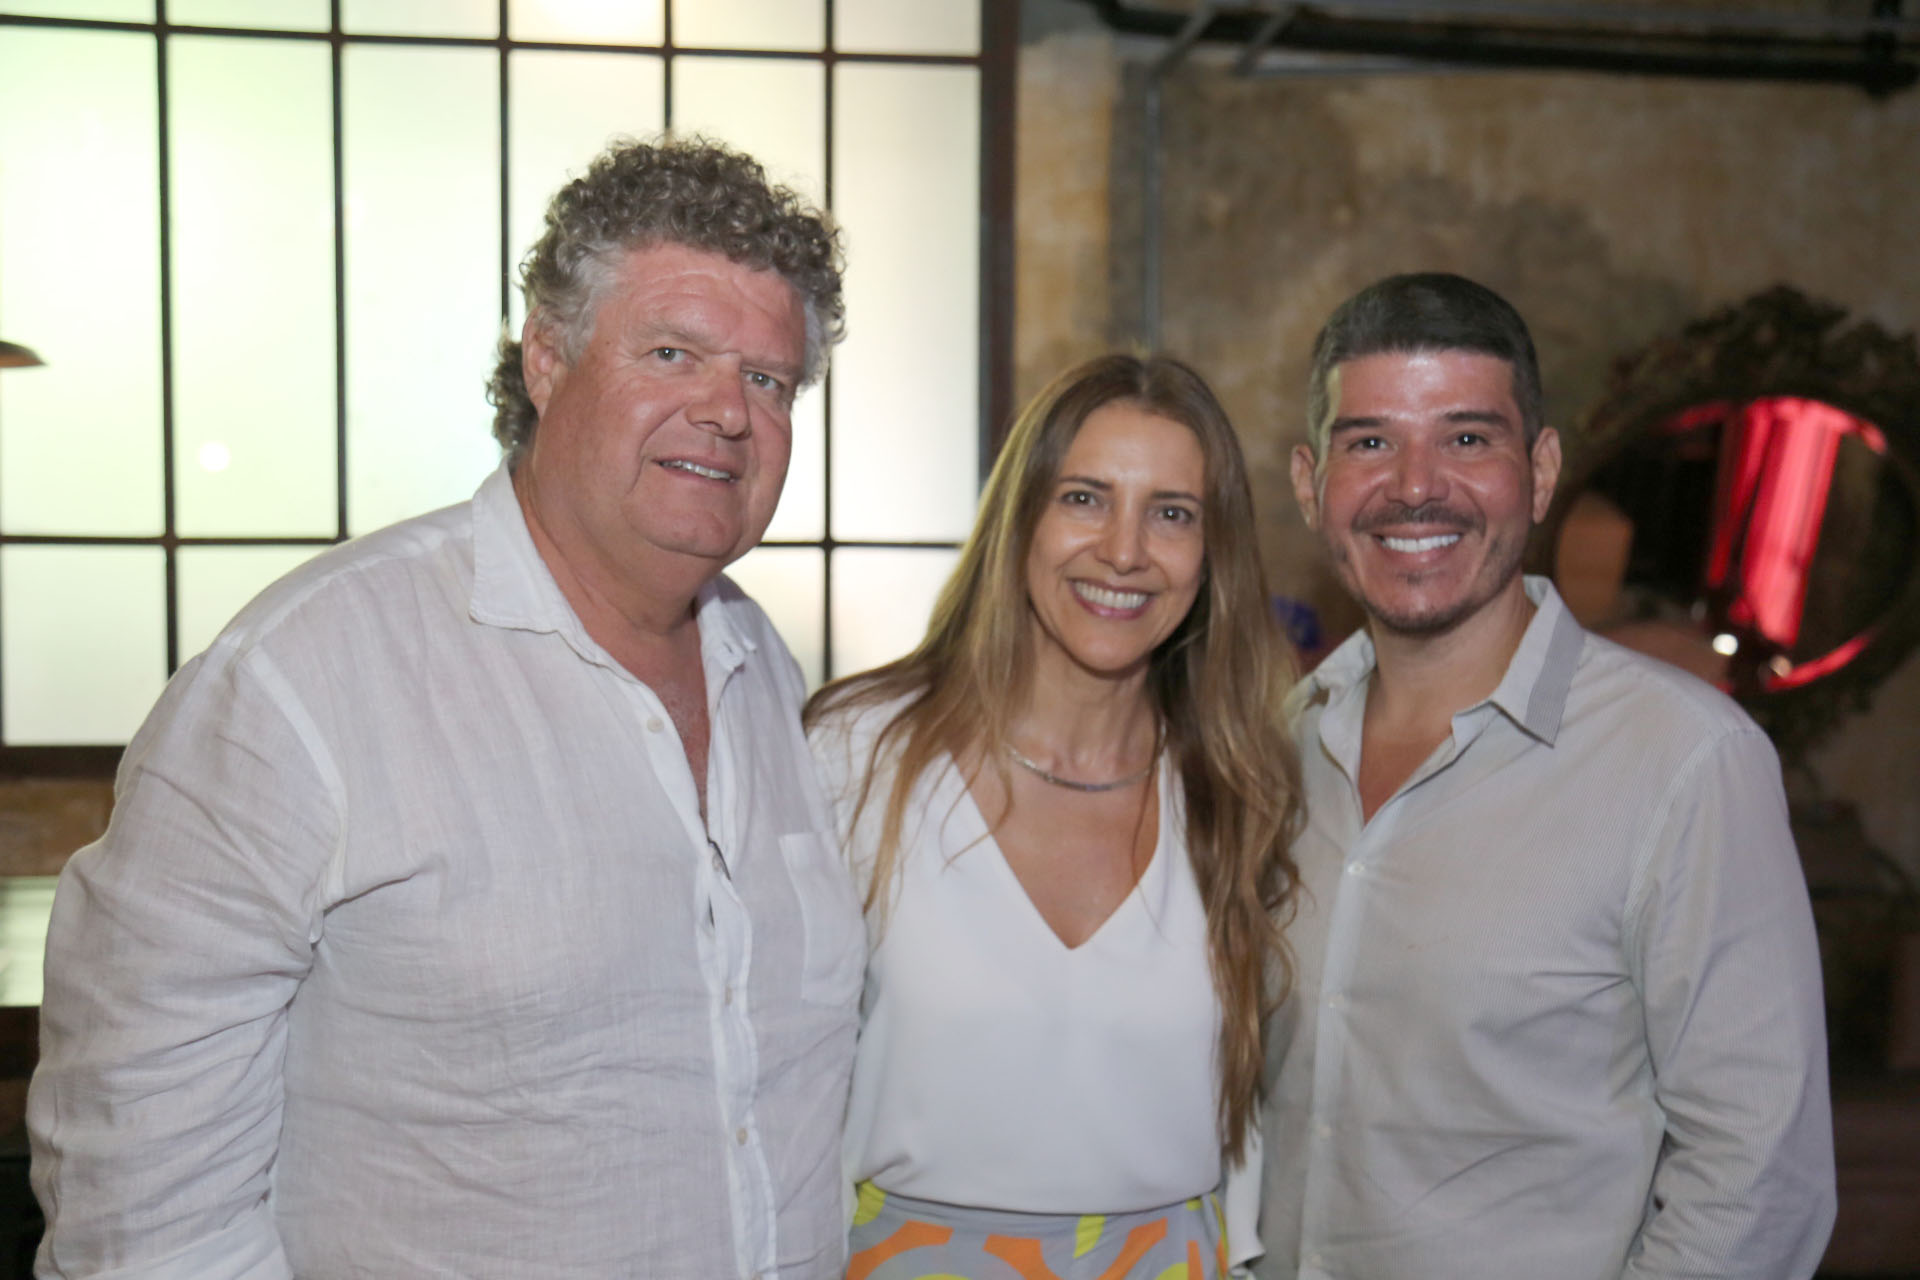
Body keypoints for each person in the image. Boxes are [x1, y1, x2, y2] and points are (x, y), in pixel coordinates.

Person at [29, 138, 863, 1279]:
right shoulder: (304, 677)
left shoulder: (762, 664)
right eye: (672, 352)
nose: (726, 409)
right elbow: (138, 1182)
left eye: (767, 380)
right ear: (548, 359)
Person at [1254, 272, 1836, 1279]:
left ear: (1541, 469)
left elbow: (1759, 1177)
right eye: (1371, 441)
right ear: (1311, 484)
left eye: (1467, 437)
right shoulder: (1270, 751)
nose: (1416, 484)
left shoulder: (1685, 759)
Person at [806, 354, 1302, 1279]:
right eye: (1084, 498)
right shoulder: (859, 753)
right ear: (1019, 517)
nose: (1124, 551)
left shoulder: (1237, 785)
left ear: (1212, 554)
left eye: (1172, 513)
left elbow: (1254, 1129)